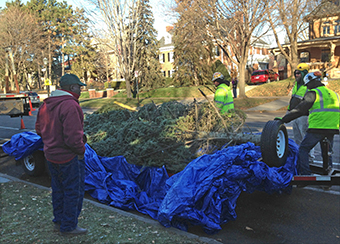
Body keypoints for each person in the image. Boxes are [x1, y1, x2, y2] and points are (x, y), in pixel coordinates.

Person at [35, 74, 88, 235]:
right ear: (72, 88)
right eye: (79, 86)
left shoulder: (46, 104)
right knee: (73, 192)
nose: (80, 89)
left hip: (51, 155)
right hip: (69, 157)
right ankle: (69, 226)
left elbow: (39, 129)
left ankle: (58, 221)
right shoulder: (70, 105)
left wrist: (51, 139)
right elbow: (73, 138)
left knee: (58, 190)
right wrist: (81, 150)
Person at [280, 71, 340, 175]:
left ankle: (305, 173)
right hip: (332, 128)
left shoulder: (313, 93)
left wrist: (284, 119)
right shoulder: (334, 94)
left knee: (303, 149)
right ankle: (327, 173)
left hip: (317, 128)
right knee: (327, 152)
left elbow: (300, 109)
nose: (307, 87)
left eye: (307, 85)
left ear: (312, 82)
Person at [287, 63, 314, 162]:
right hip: (295, 115)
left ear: (304, 73)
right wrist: (289, 111)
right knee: (297, 137)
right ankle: (300, 157)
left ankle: (310, 158)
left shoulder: (308, 86)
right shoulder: (296, 85)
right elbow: (293, 99)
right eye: (296, 73)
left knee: (305, 137)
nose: (296, 75)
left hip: (304, 116)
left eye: (299, 73)